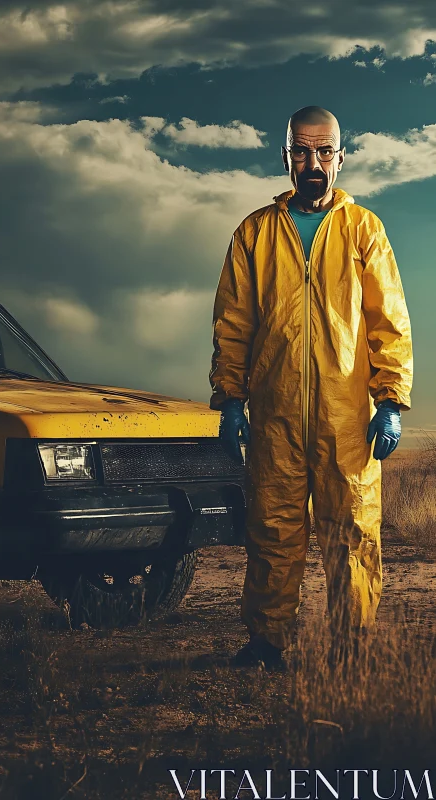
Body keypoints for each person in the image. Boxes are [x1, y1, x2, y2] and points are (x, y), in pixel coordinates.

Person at [209, 106, 413, 669]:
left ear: (341, 158)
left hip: (347, 416)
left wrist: (391, 400)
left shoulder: (363, 229)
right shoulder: (255, 233)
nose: (314, 162)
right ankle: (267, 642)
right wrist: (229, 398)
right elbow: (233, 323)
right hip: (275, 415)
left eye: (324, 152)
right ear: (286, 158)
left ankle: (353, 647)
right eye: (302, 151)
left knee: (351, 529)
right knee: (273, 528)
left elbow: (387, 321)